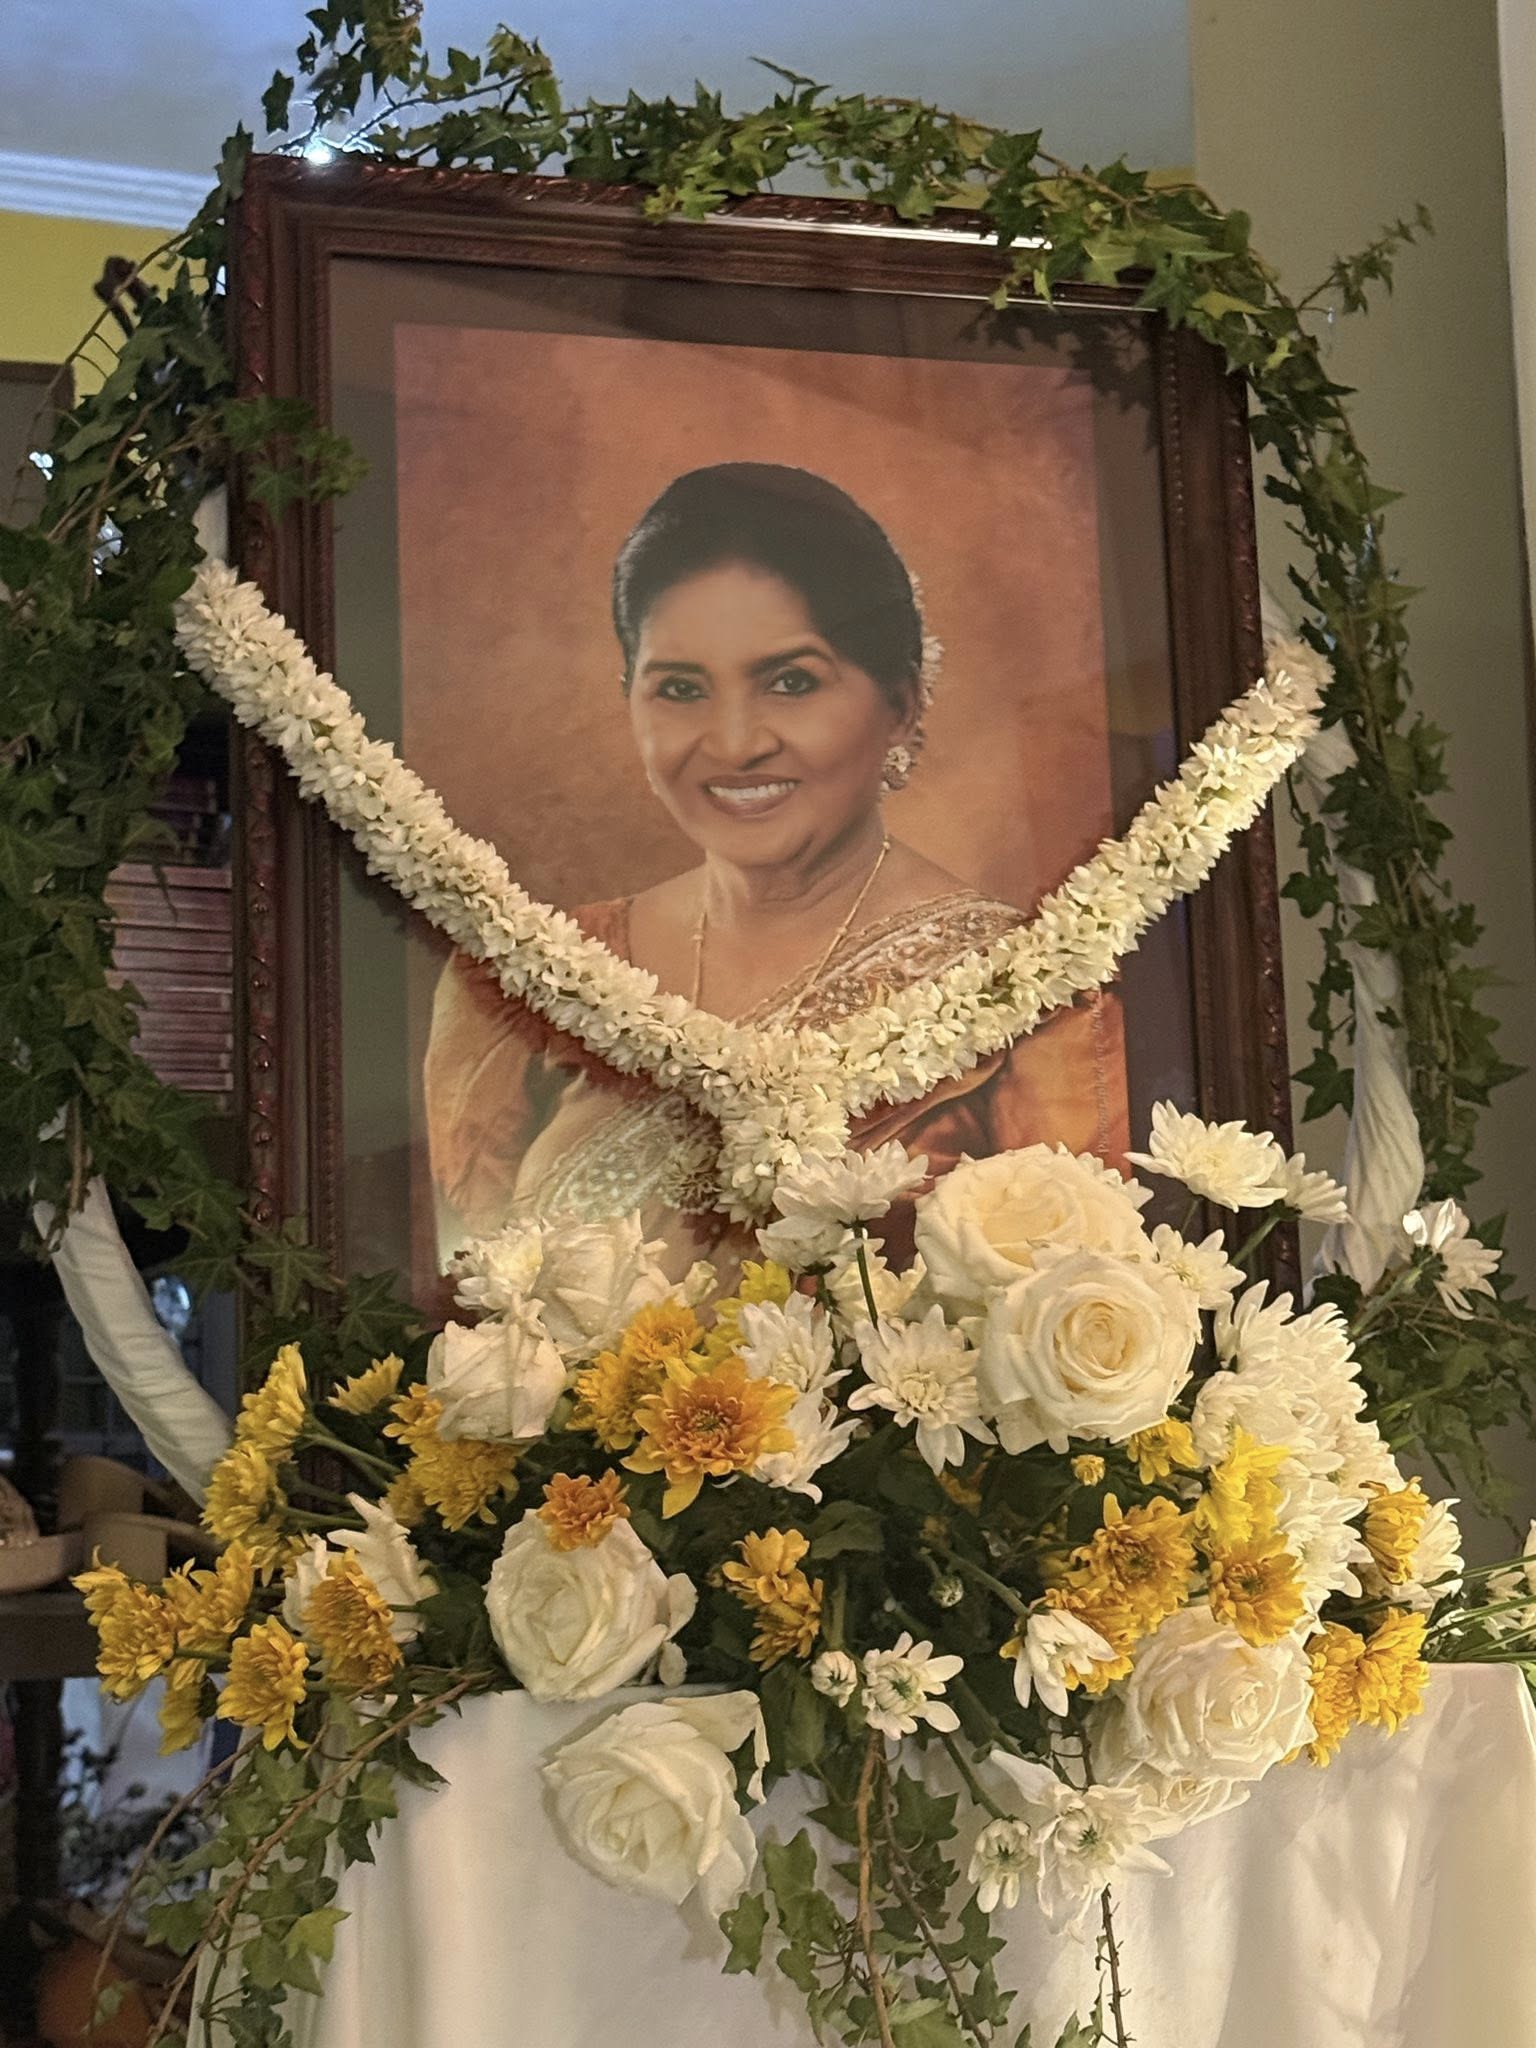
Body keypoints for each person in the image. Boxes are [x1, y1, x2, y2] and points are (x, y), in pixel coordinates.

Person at [425, 463, 1126, 1270]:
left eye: (791, 681)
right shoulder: (525, 979)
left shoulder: (1028, 990)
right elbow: (475, 1293)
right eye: (680, 689)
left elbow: (1075, 1289)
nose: (734, 743)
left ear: (901, 704)